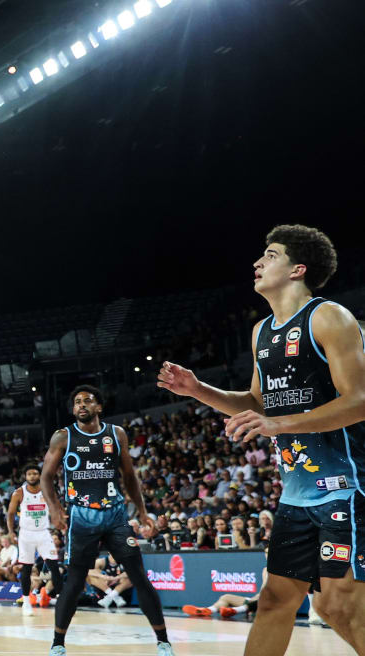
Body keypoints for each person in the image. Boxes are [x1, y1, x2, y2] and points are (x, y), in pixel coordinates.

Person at [158, 225, 365, 655]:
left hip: (346, 487)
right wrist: (198, 390)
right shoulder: (261, 332)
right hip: (296, 495)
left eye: (271, 255)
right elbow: (257, 402)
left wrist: (280, 424)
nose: (258, 262)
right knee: (274, 600)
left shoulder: (329, 317)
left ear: (297, 269)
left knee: (337, 604)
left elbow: (360, 400)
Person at [41, 385, 173, 656]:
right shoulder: (63, 436)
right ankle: (57, 644)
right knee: (74, 581)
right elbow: (46, 477)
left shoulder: (116, 434)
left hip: (115, 514)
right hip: (81, 515)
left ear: (98, 407)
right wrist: (54, 508)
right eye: (77, 402)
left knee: (139, 576)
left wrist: (142, 510)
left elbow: (129, 475)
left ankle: (163, 642)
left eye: (87, 400)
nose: (81, 405)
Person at [6, 464, 61, 615]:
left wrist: (59, 519)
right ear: (25, 476)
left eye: (35, 473)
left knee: (54, 566)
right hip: (26, 534)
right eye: (29, 474)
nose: (32, 476)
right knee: (27, 568)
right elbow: (10, 513)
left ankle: (62, 600)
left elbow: (56, 506)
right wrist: (10, 532)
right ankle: (26, 601)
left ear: (39, 475)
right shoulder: (19, 493)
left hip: (43, 533)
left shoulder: (47, 490)